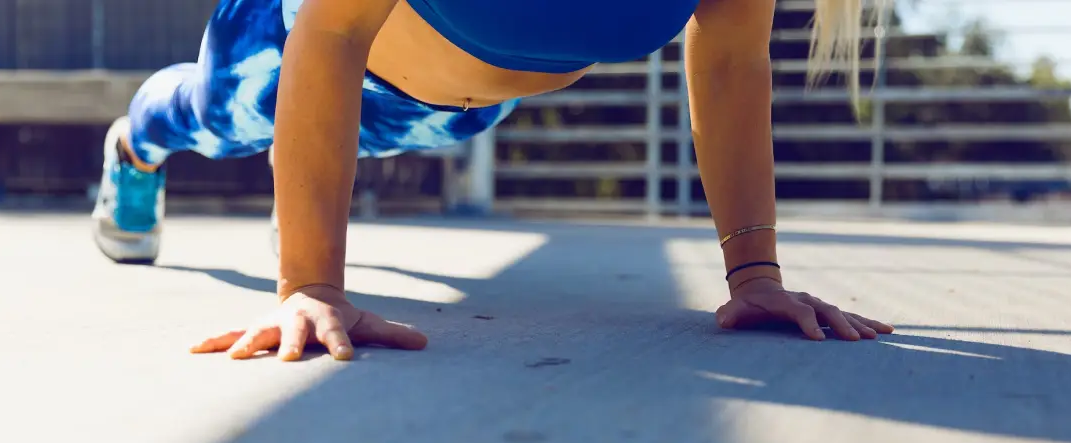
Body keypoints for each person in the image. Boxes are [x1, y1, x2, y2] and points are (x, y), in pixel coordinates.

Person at [92, 0, 894, 361]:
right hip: (295, 43)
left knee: (324, 150)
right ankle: (134, 149)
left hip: (458, 114)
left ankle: (298, 185)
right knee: (209, 118)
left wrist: (755, 275)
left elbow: (727, 62)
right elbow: (332, 32)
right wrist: (311, 284)